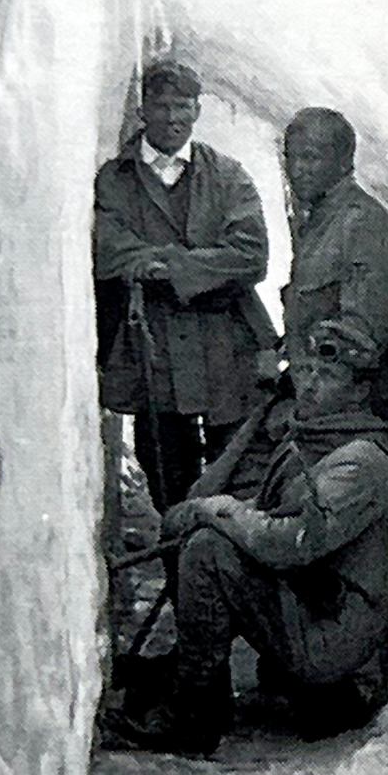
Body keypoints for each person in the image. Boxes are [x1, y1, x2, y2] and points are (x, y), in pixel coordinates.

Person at [156, 316, 388, 755]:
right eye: (307, 372)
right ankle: (194, 684)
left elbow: (289, 543)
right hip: (316, 616)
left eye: (328, 376)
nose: (310, 385)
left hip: (341, 657)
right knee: (199, 529)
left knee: (209, 551)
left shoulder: (360, 461)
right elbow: (267, 512)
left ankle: (193, 719)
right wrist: (208, 510)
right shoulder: (313, 439)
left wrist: (222, 511)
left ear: (360, 391)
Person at [94, 59, 276, 512]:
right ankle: (176, 553)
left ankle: (219, 555)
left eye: (183, 106)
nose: (173, 118)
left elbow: (251, 255)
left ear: (197, 110)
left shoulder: (227, 175)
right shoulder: (116, 180)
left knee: (232, 470)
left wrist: (166, 265)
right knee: (166, 470)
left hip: (225, 347)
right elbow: (112, 252)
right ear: (143, 110)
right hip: (154, 352)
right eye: (162, 106)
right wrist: (206, 266)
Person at [282, 107, 388, 416]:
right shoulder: (318, 219)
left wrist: (309, 375)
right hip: (313, 394)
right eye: (290, 157)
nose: (297, 169)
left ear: (343, 161)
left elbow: (363, 334)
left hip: (346, 407)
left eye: (310, 158)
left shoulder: (361, 222)